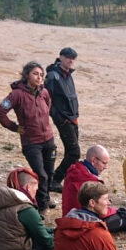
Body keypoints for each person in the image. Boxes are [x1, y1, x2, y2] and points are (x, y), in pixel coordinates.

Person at [0, 61, 56, 214]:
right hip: (31, 142)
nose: (39, 77)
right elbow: (0, 113)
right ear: (26, 75)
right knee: (40, 174)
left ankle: (45, 198)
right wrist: (14, 127)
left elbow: (48, 105)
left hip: (48, 139)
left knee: (49, 172)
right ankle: (41, 208)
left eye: (41, 75)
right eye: (35, 74)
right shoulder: (17, 94)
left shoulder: (44, 92)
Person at [45, 47, 80, 193]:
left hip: (73, 118)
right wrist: (60, 119)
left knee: (70, 152)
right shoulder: (53, 76)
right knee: (74, 153)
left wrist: (75, 115)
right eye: (68, 57)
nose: (70, 60)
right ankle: (55, 180)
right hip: (64, 119)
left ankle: (64, 181)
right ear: (60, 57)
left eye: (73, 58)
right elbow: (47, 99)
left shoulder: (67, 75)